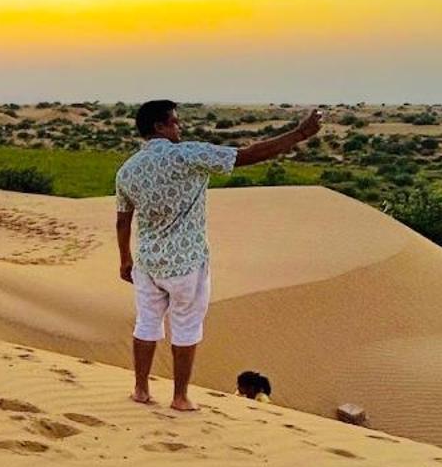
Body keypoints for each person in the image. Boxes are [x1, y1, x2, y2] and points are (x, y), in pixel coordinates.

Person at [116, 100, 320, 412]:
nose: (179, 127)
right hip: (187, 262)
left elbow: (122, 219)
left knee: (146, 324)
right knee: (185, 328)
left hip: (147, 263)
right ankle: (180, 397)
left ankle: (141, 390)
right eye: (174, 122)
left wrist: (124, 260)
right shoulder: (189, 155)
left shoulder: (127, 170)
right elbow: (248, 155)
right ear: (159, 127)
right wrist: (299, 134)